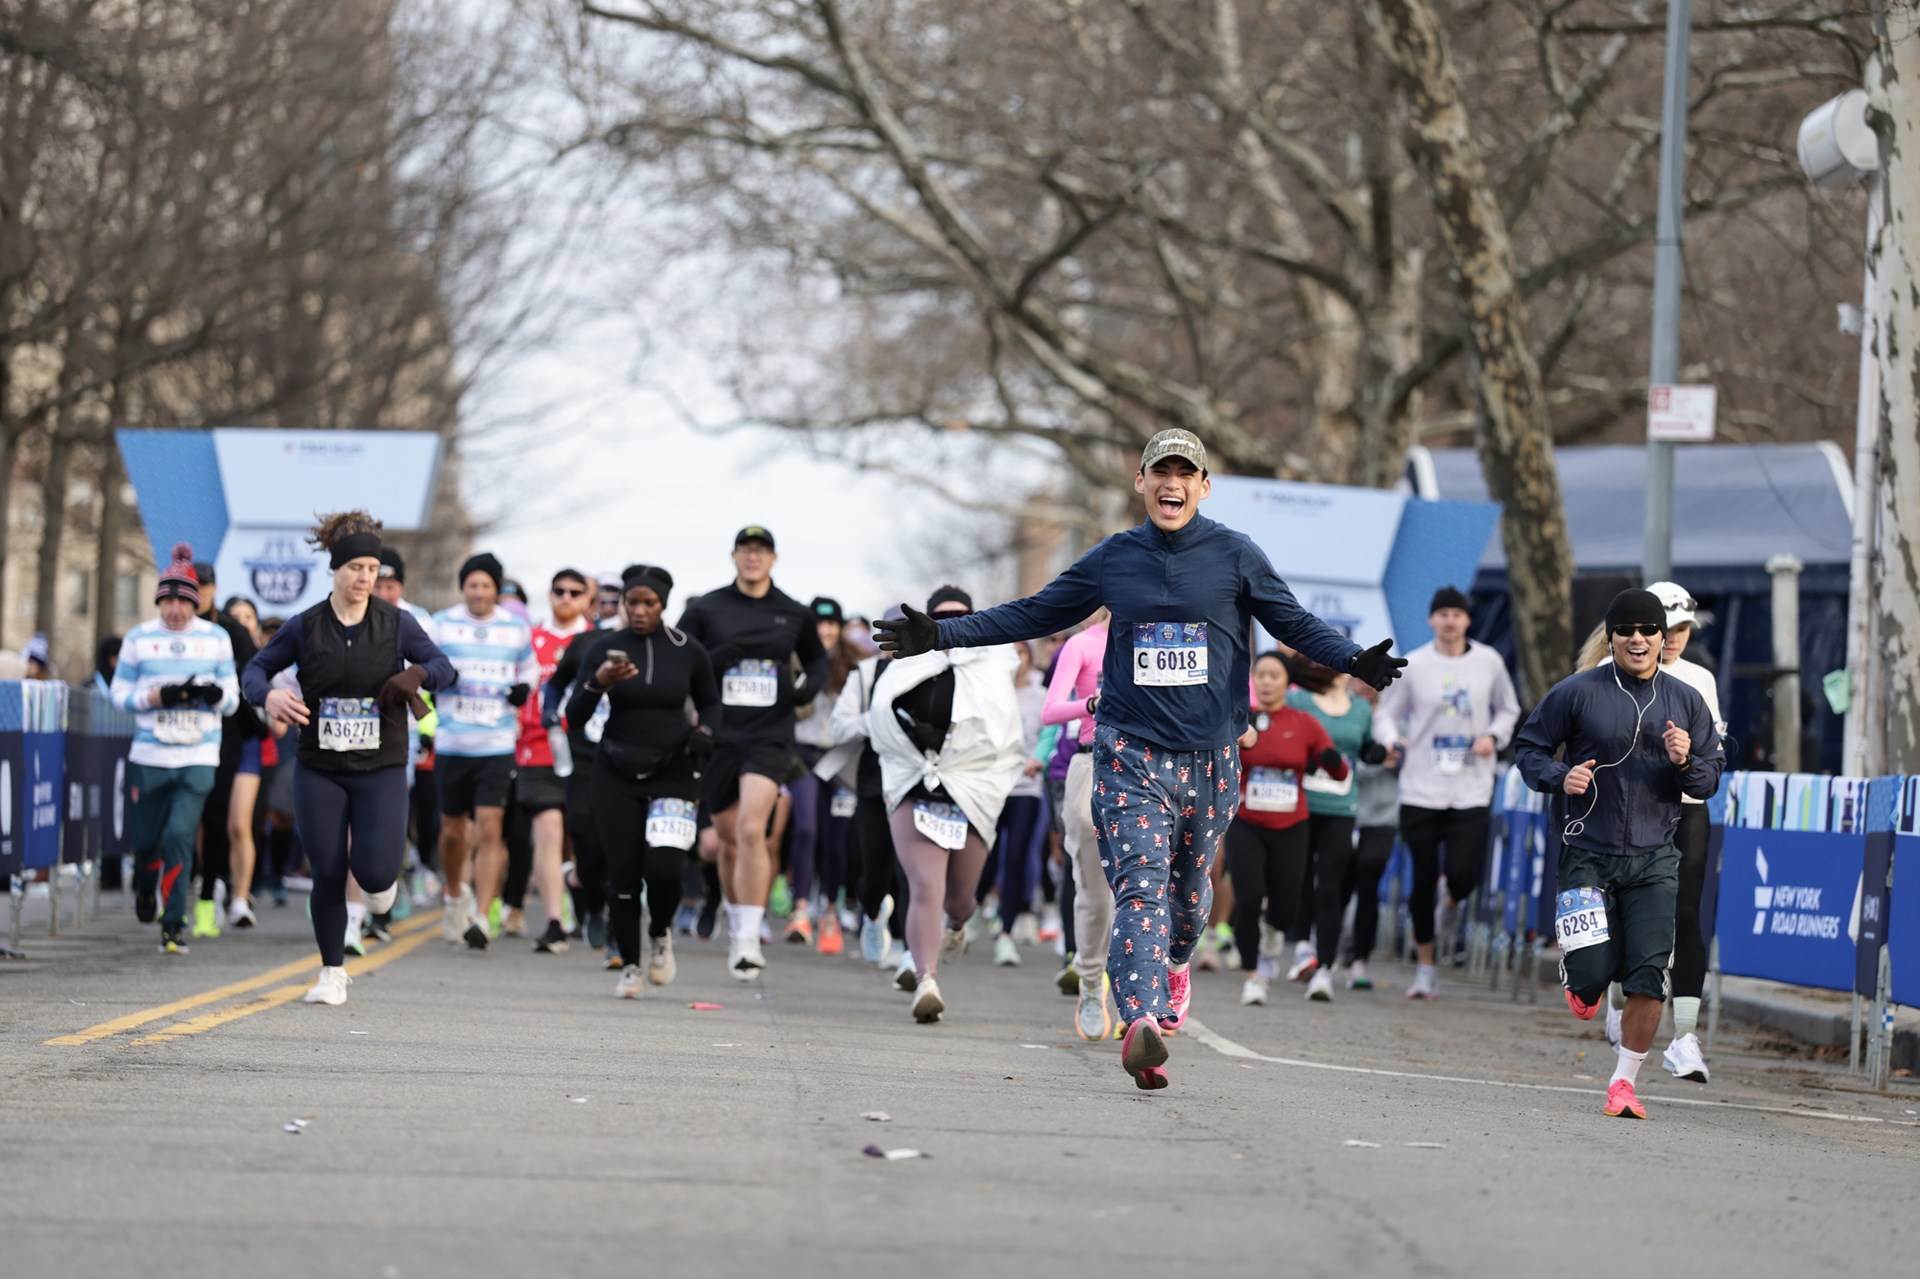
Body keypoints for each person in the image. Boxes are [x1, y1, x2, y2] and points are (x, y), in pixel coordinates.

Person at [875, 428, 1405, 1088]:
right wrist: (941, 633)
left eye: (1185, 474)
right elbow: (1036, 613)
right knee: (1139, 881)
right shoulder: (1115, 558)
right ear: (1142, 482)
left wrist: (1353, 659)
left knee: (1188, 897)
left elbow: (1292, 621)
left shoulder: (1236, 554)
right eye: (1161, 472)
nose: (1171, 483)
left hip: (1210, 754)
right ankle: (1140, 1020)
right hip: (1129, 749)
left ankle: (1175, 963)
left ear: (1203, 487)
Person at [1514, 588, 1724, 1120]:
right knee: (1592, 974)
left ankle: (1623, 1083)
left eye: (1648, 630)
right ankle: (1582, 980)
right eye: (1626, 630)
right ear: (1610, 637)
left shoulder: (1686, 700)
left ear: (1660, 637)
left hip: (1655, 857)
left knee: (1650, 974)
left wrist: (1685, 762)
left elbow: (1709, 777)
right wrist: (1561, 776)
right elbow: (1529, 748)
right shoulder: (1577, 692)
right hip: (1588, 852)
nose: (1638, 639)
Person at [245, 511, 455, 1005]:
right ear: (336, 569)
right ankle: (332, 973)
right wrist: (269, 697)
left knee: (376, 872)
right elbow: (254, 670)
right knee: (328, 868)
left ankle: (382, 891)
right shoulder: (304, 626)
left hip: (380, 766)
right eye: (356, 568)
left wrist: (417, 675)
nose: (365, 578)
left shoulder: (397, 624)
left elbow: (444, 667)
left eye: (372, 569)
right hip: (319, 767)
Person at [1574, 582, 1725, 1083]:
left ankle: (1684, 1037)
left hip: (1687, 809)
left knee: (1687, 914)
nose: (1675, 638)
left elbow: (1713, 751)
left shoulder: (1700, 679)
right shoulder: (1604, 674)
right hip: (1625, 813)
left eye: (1684, 629)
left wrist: (1693, 758)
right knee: (1623, 914)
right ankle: (1618, 1000)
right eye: (1669, 627)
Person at [676, 525, 828, 981]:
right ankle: (737, 916)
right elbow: (679, 656)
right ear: (734, 556)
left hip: (770, 736)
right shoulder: (707, 608)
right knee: (726, 841)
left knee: (750, 829)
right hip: (721, 736)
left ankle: (748, 936)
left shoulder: (793, 611)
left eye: (761, 551)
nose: (753, 557)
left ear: (773, 559)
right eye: (746, 549)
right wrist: (711, 668)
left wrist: (806, 690)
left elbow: (817, 659)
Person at [869, 587, 1024, 1022]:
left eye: (961, 616)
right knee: (925, 885)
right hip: (915, 782)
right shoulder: (905, 661)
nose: (951, 623)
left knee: (958, 899)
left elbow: (1005, 734)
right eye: (941, 617)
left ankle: (957, 925)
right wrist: (912, 741)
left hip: (972, 788)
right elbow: (880, 717)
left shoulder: (994, 662)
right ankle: (927, 980)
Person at [566, 565, 721, 997]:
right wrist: (598, 683)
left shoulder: (688, 650)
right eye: (631, 602)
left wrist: (708, 732)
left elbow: (711, 703)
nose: (638, 610)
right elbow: (574, 717)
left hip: (674, 768)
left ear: (662, 605)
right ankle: (631, 966)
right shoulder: (605, 648)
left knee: (665, 869)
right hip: (615, 769)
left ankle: (660, 934)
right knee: (624, 874)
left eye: (648, 603)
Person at [1369, 586, 1520, 1000]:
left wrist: (1493, 735)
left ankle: (1451, 903)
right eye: (1443, 614)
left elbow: (1509, 708)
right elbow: (1386, 714)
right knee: (1421, 878)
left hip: (1471, 786)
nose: (1450, 621)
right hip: (1421, 786)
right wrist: (1391, 742)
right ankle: (1425, 968)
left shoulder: (1489, 661)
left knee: (1463, 874)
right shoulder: (1415, 664)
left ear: (1468, 620)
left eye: (1457, 614)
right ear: (1431, 620)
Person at [110, 544, 238, 954]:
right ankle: (146, 886)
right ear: (158, 601)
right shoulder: (139, 638)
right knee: (147, 842)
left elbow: (233, 700)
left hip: (198, 755)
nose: (176, 610)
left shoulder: (216, 639)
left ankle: (173, 923)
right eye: (168, 601)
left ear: (196, 603)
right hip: (150, 756)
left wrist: (215, 695)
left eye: (184, 601)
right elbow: (118, 694)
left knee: (180, 834)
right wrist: (153, 698)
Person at [1227, 652, 1348, 1006]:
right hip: (1246, 821)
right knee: (1248, 898)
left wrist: (1332, 762)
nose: (1266, 682)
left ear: (1287, 682)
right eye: (1260, 675)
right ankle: (1253, 976)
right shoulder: (1239, 720)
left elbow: (1340, 772)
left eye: (1274, 676)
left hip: (1291, 824)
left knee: (1285, 909)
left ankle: (1273, 929)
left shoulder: (1305, 723)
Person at [429, 552, 537, 949]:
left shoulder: (514, 628)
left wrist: (523, 689)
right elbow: (422, 667)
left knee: (491, 827)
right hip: (453, 742)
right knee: (453, 831)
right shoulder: (442, 624)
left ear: (495, 589)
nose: (478, 592)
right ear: (464, 588)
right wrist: (440, 677)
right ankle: (455, 896)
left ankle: (481, 915)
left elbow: (529, 670)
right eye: (472, 585)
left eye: (486, 585)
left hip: (496, 743)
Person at [1286, 651, 1387, 1000]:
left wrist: (1375, 752)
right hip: (1299, 803)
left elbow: (1366, 747)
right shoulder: (1299, 700)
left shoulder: (1360, 708)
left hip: (1341, 807)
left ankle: (1324, 969)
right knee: (1299, 879)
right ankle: (1302, 946)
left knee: (1331, 886)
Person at [509, 568, 595, 954]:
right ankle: (555, 922)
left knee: (586, 836)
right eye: (559, 590)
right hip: (538, 748)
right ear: (549, 594)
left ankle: (582, 888)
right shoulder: (530, 638)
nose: (566, 598)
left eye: (575, 592)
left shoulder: (598, 640)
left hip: (586, 751)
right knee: (548, 832)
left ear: (587, 598)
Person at [189, 562, 262, 938]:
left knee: (230, 821)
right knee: (193, 822)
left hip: (233, 737)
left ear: (214, 588)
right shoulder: (175, 630)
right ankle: (206, 883)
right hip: (187, 739)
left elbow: (253, 679)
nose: (197, 592)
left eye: (203, 585)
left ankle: (230, 895)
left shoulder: (231, 632)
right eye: (192, 585)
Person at [984, 639, 1050, 967]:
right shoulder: (989, 691)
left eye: (1022, 652)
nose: (1016, 658)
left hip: (1027, 787)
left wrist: (1039, 760)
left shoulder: (1040, 696)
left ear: (1030, 658)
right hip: (992, 787)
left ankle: (1007, 933)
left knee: (1016, 858)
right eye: (1010, 652)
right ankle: (969, 910)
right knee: (986, 856)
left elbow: (1050, 735)